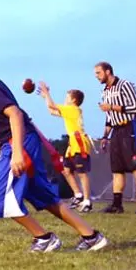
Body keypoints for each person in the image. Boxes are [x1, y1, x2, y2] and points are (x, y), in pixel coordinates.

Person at [0, 36, 107, 252]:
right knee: (44, 197)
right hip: (21, 141)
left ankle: (44, 238)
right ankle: (92, 237)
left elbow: (15, 116)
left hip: (19, 144)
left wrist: (17, 153)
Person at [95, 62, 136, 214]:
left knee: (135, 166)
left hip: (128, 128)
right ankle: (117, 204)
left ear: (108, 72)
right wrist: (105, 136)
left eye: (99, 73)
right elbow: (109, 117)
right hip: (116, 130)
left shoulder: (124, 85)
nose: (97, 76)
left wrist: (113, 107)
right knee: (117, 169)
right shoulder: (105, 91)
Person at [37, 82, 95, 212]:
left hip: (79, 142)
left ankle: (87, 201)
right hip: (72, 143)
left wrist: (47, 93)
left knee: (82, 173)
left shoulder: (73, 109)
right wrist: (45, 98)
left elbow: (52, 105)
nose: (65, 99)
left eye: (67, 97)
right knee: (66, 170)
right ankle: (78, 195)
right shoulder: (70, 111)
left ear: (74, 100)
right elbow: (52, 111)